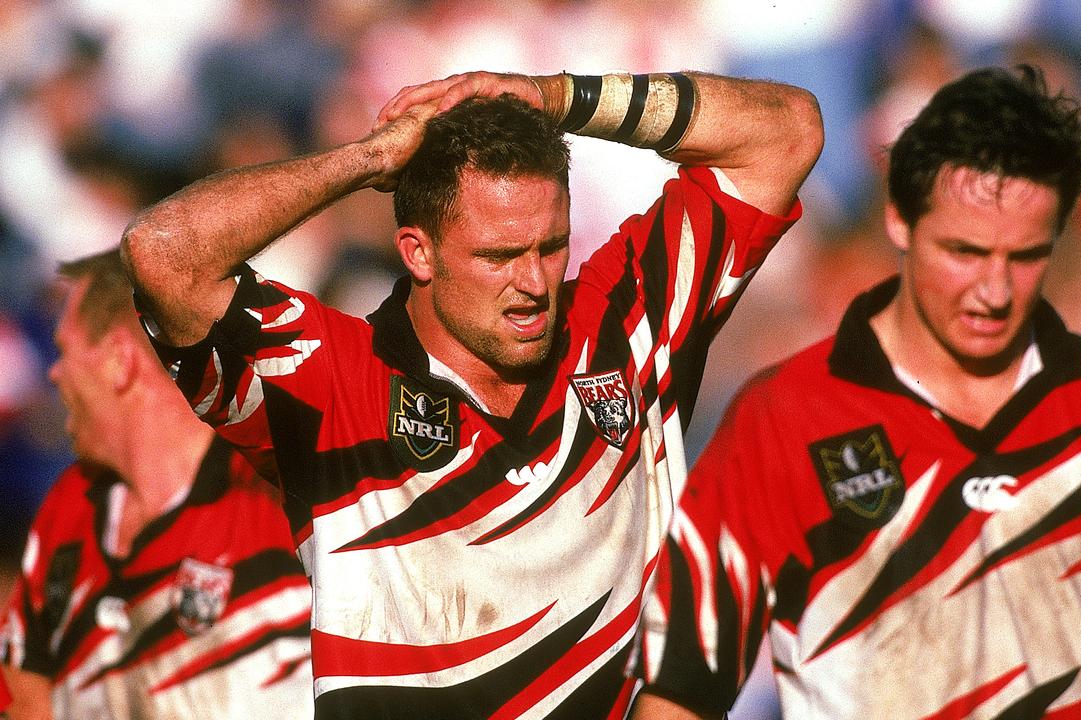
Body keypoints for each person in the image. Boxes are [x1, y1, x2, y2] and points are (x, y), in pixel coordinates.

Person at [120, 69, 823, 719]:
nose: (534, 284)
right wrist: (367, 159)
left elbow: (787, 131)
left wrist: (554, 97)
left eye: (551, 246)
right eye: (497, 256)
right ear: (417, 251)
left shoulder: (626, 321)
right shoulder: (331, 377)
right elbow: (163, 251)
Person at [631, 65, 1081, 720]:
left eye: (1023, 256)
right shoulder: (785, 418)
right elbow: (682, 691)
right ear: (900, 223)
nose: (993, 292)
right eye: (963, 252)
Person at [0, 250, 313, 719]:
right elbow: (25, 695)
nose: (54, 372)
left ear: (120, 362)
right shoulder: (70, 506)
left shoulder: (276, 494)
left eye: (65, 350)